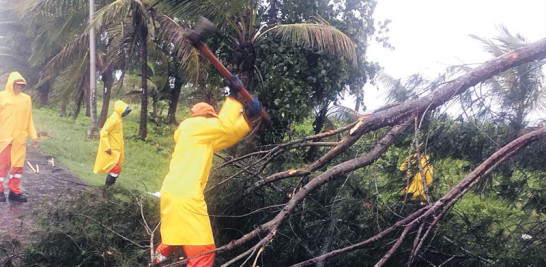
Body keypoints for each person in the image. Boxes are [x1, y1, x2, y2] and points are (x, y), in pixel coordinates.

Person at [154, 85, 261, 266]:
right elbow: (223, 126)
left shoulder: (199, 138)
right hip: (186, 196)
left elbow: (228, 134)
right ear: (205, 118)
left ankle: (155, 261)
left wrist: (247, 118)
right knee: (204, 253)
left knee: (175, 231)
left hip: (173, 193)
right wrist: (233, 97)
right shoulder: (192, 125)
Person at [0, 71, 40, 202]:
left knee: (17, 167)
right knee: (2, 166)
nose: (19, 87)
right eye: (17, 85)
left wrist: (34, 137)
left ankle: (14, 191)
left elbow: (29, 120)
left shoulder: (26, 99)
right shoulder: (2, 97)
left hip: (19, 140)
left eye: (21, 85)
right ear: (11, 84)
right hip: (5, 139)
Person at [93, 100, 131, 186]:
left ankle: (109, 188)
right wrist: (107, 147)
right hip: (111, 150)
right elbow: (103, 132)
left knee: (116, 168)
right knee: (115, 168)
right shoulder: (113, 119)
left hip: (117, 149)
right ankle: (108, 188)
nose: (126, 113)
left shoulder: (118, 119)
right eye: (125, 111)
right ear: (120, 109)